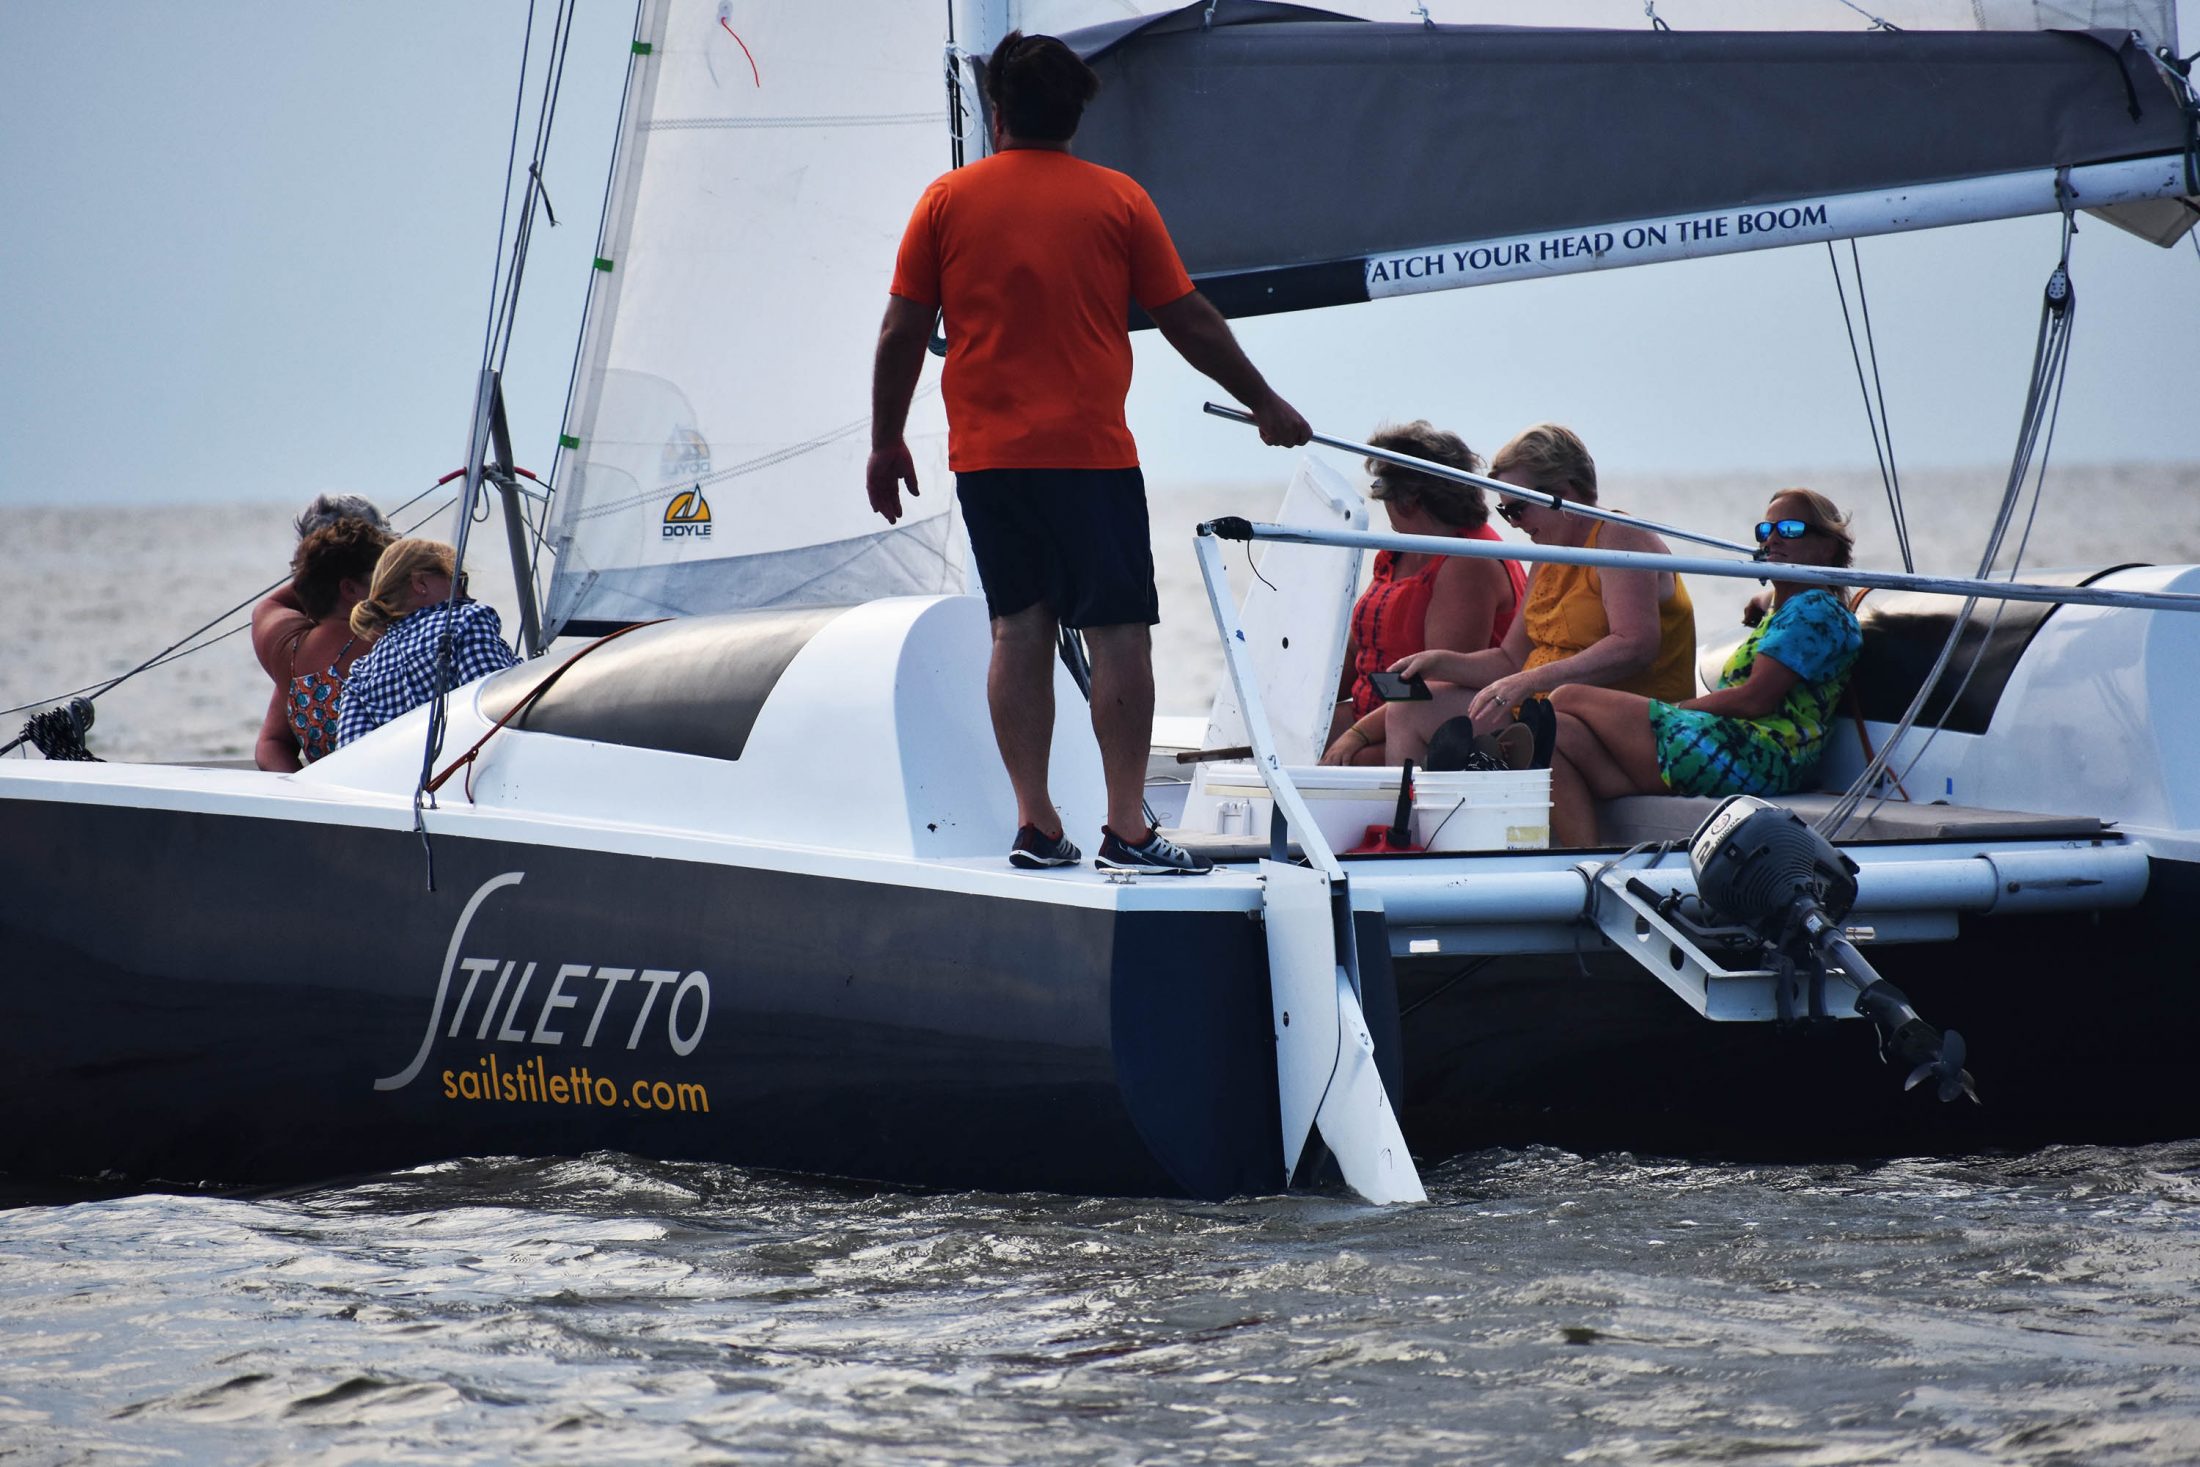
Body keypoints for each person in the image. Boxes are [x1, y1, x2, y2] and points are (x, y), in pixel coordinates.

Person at [866, 31, 1310, 875]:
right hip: (1090, 455)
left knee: (1018, 630)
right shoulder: (1118, 200)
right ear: (1075, 117)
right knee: (1118, 636)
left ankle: (1036, 824)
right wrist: (1265, 404)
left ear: (996, 112)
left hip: (988, 459)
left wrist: (887, 442)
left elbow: (900, 331)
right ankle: (1127, 829)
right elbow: (1188, 319)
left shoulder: (944, 203)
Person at [1542, 490, 1863, 846]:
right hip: (1737, 746)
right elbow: (1785, 613)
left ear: (1828, 547)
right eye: (1765, 530)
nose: (1772, 539)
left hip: (1764, 756)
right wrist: (1765, 600)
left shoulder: (1814, 610)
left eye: (1790, 529)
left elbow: (1754, 700)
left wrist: (1674, 710)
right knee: (1558, 732)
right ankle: (1586, 864)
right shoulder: (1791, 608)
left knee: (1565, 697)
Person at [1371, 424, 1697, 764]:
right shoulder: (1549, 553)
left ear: (1564, 493)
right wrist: (1439, 662)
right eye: (1503, 511)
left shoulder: (1620, 537)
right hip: (1544, 709)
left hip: (1622, 719)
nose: (1512, 524)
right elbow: (1511, 659)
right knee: (1409, 710)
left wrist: (1530, 681)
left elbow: (1635, 645)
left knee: (1547, 723)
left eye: (1517, 509)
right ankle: (1408, 817)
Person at [1320, 422, 1524, 766]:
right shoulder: (1398, 554)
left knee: (1333, 762)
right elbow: (1361, 650)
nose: (1378, 498)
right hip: (1376, 714)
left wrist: (1354, 736)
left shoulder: (1468, 563)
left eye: (1381, 486)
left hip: (1437, 730)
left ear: (1411, 496)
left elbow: (1438, 687)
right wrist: (1295, 704)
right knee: (1279, 742)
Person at [334, 539, 519, 747]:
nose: (467, 595)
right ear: (420, 583)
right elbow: (502, 713)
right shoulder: (466, 622)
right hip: (475, 772)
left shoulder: (362, 674)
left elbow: (351, 753)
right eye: (459, 580)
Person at [253, 516, 392, 770]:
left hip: (328, 794)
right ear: (349, 589)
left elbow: (269, 604)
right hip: (388, 791)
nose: (392, 581)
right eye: (383, 573)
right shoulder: (388, 640)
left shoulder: (288, 650)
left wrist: (314, 570)